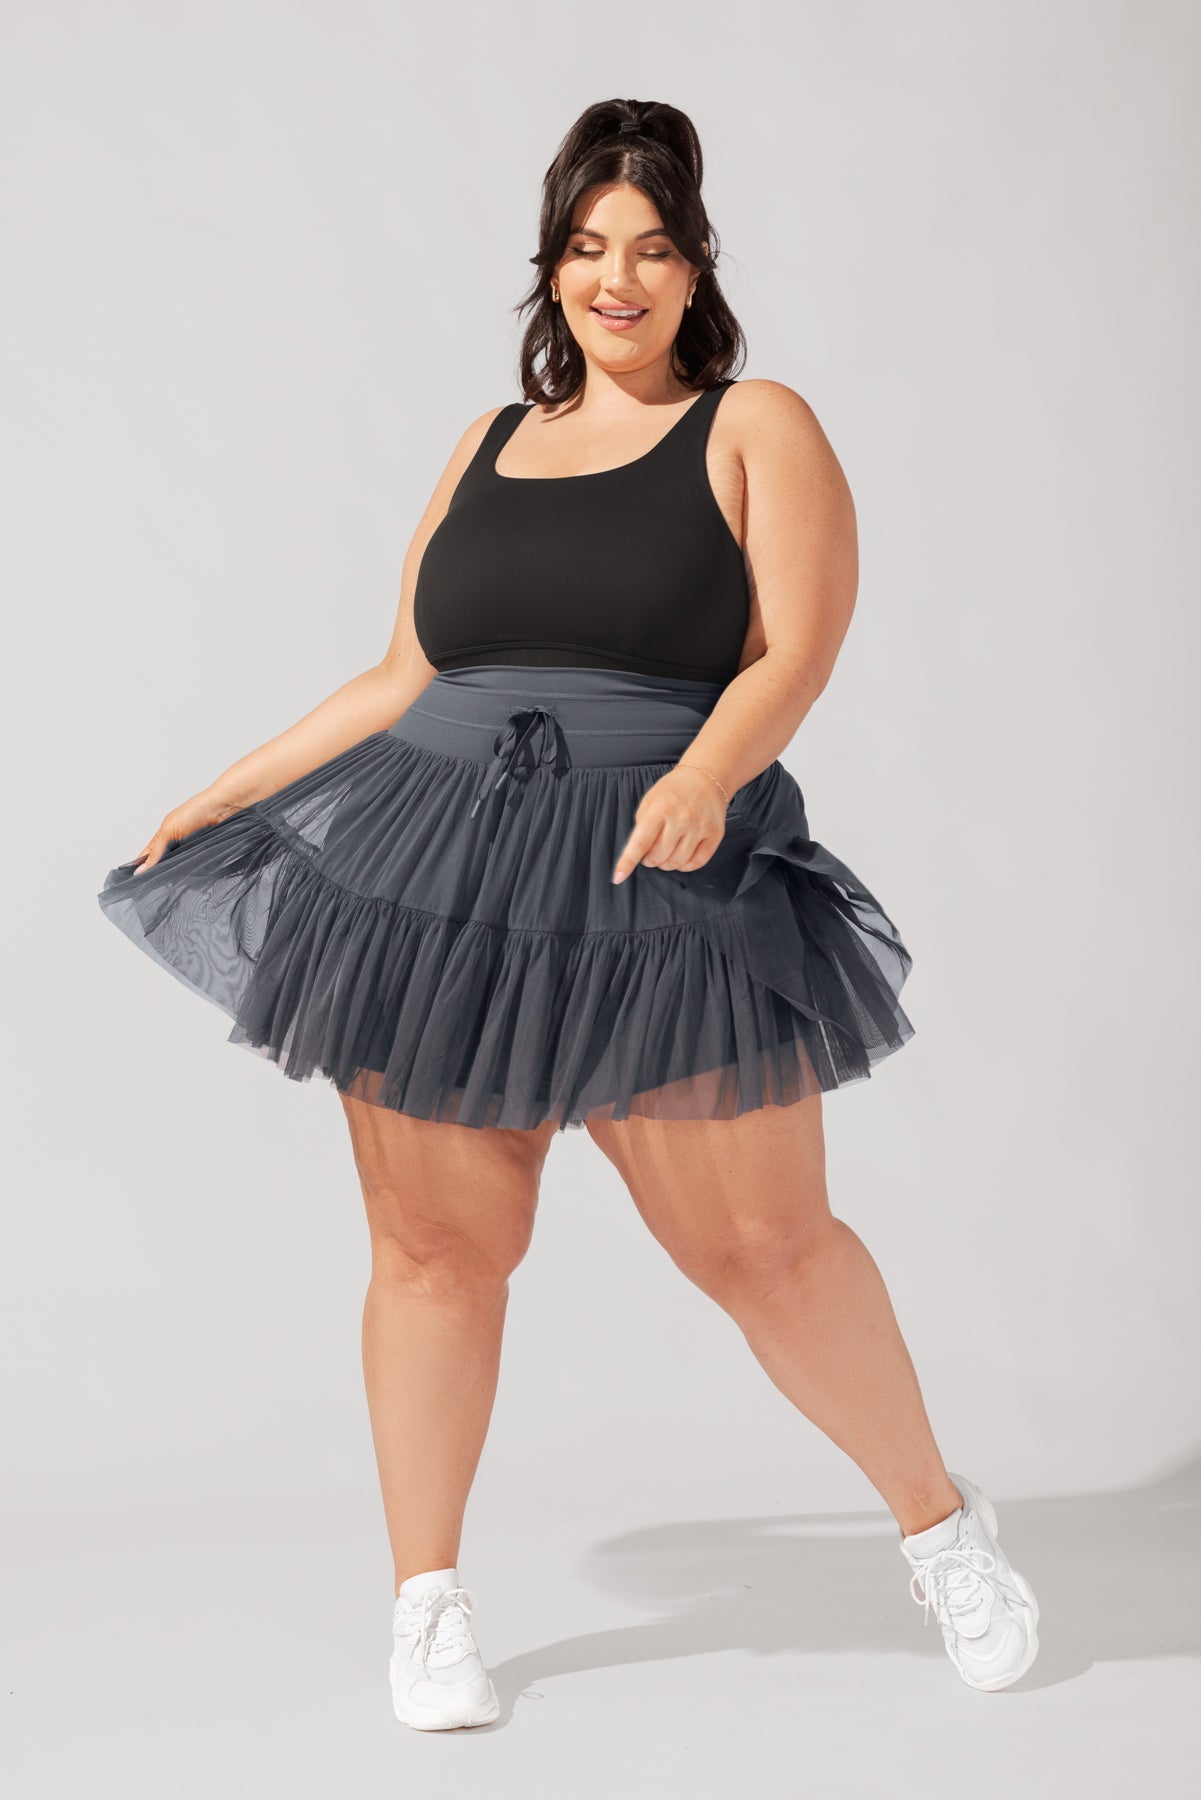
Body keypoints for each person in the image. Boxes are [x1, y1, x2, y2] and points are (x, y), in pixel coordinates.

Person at [97, 97, 1039, 1731]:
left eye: (652, 249)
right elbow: (405, 672)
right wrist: (232, 785)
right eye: (589, 247)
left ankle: (940, 1528)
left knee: (760, 1247)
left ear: (695, 270)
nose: (618, 278)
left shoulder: (754, 426)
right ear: (549, 266)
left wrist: (710, 773)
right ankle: (426, 1606)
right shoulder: (487, 443)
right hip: (440, 874)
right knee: (436, 1250)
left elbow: (796, 650)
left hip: (651, 865)